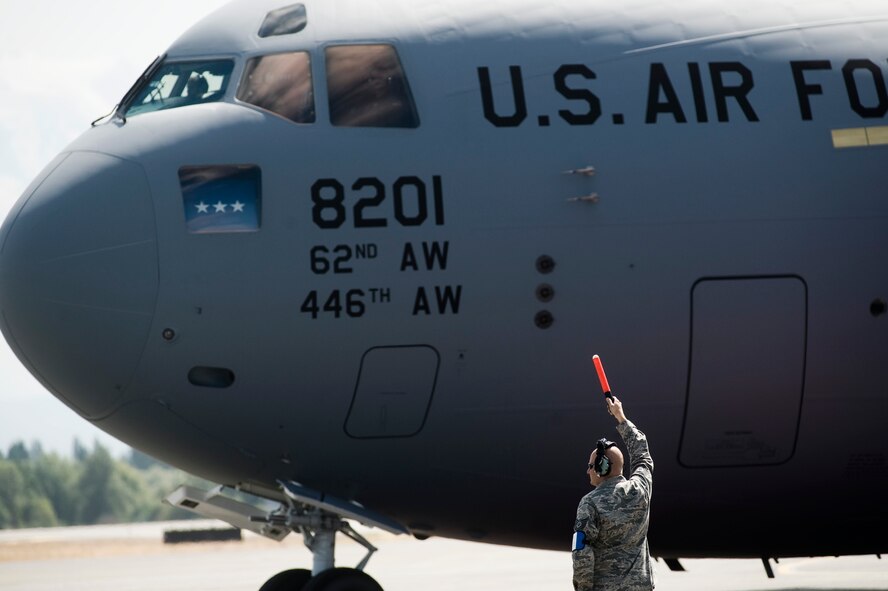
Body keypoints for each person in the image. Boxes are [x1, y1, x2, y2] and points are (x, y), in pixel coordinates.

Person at [572, 396, 654, 591]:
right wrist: (621, 417)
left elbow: (581, 551)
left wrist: (583, 588)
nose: (588, 471)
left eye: (591, 466)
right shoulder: (641, 489)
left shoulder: (590, 503)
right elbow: (643, 455)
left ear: (602, 467)